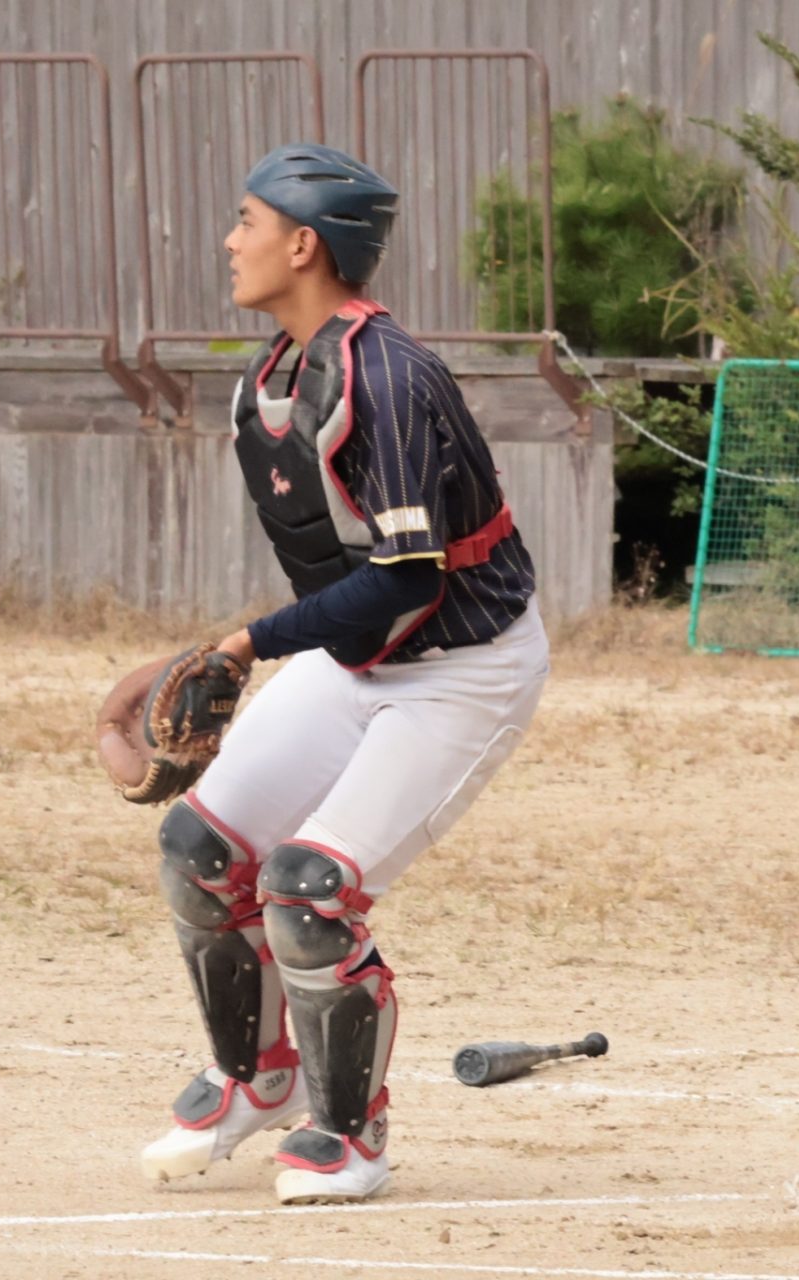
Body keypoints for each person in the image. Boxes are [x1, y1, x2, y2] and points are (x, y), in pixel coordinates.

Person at [137, 144, 548, 1204]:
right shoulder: (275, 374)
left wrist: (243, 642)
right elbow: (350, 582)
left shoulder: (390, 376)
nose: (231, 240)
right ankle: (253, 1075)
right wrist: (248, 645)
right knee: (199, 848)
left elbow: (406, 582)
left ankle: (348, 1136)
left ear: (303, 243)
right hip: (365, 654)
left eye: (246, 220)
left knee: (310, 889)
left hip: (461, 665)